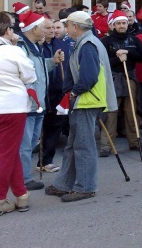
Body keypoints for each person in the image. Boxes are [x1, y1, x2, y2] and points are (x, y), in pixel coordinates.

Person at [45, 11, 117, 202]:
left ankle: (86, 186)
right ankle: (64, 184)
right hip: (84, 100)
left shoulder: (88, 45)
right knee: (73, 145)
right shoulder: (86, 42)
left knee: (83, 146)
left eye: (67, 25)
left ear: (75, 27)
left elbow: (89, 77)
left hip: (87, 101)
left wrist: (75, 92)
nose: (66, 28)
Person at [18, 12, 63, 191]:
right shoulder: (22, 48)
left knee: (31, 142)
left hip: (38, 103)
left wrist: (51, 61)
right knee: (25, 144)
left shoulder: (34, 47)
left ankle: (23, 176)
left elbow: (38, 68)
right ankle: (24, 178)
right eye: (43, 27)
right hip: (28, 103)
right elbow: (24, 73)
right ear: (34, 28)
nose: (47, 31)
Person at [0, 12, 37, 215]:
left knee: (9, 151)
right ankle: (1, 197)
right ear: (7, 30)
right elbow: (30, 75)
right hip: (12, 107)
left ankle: (21, 195)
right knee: (6, 153)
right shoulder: (14, 52)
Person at [100, 10, 142, 156]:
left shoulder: (134, 40)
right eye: (118, 23)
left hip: (129, 77)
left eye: (124, 23)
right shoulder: (105, 41)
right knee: (111, 112)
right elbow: (102, 62)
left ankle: (134, 141)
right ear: (113, 25)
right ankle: (107, 145)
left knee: (131, 110)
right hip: (113, 79)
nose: (121, 26)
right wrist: (116, 57)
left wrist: (129, 53)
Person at [39, 17, 70, 172]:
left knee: (55, 127)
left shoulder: (61, 44)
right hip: (42, 91)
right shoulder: (37, 46)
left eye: (53, 28)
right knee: (39, 127)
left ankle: (46, 160)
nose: (52, 30)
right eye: (48, 28)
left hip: (58, 90)